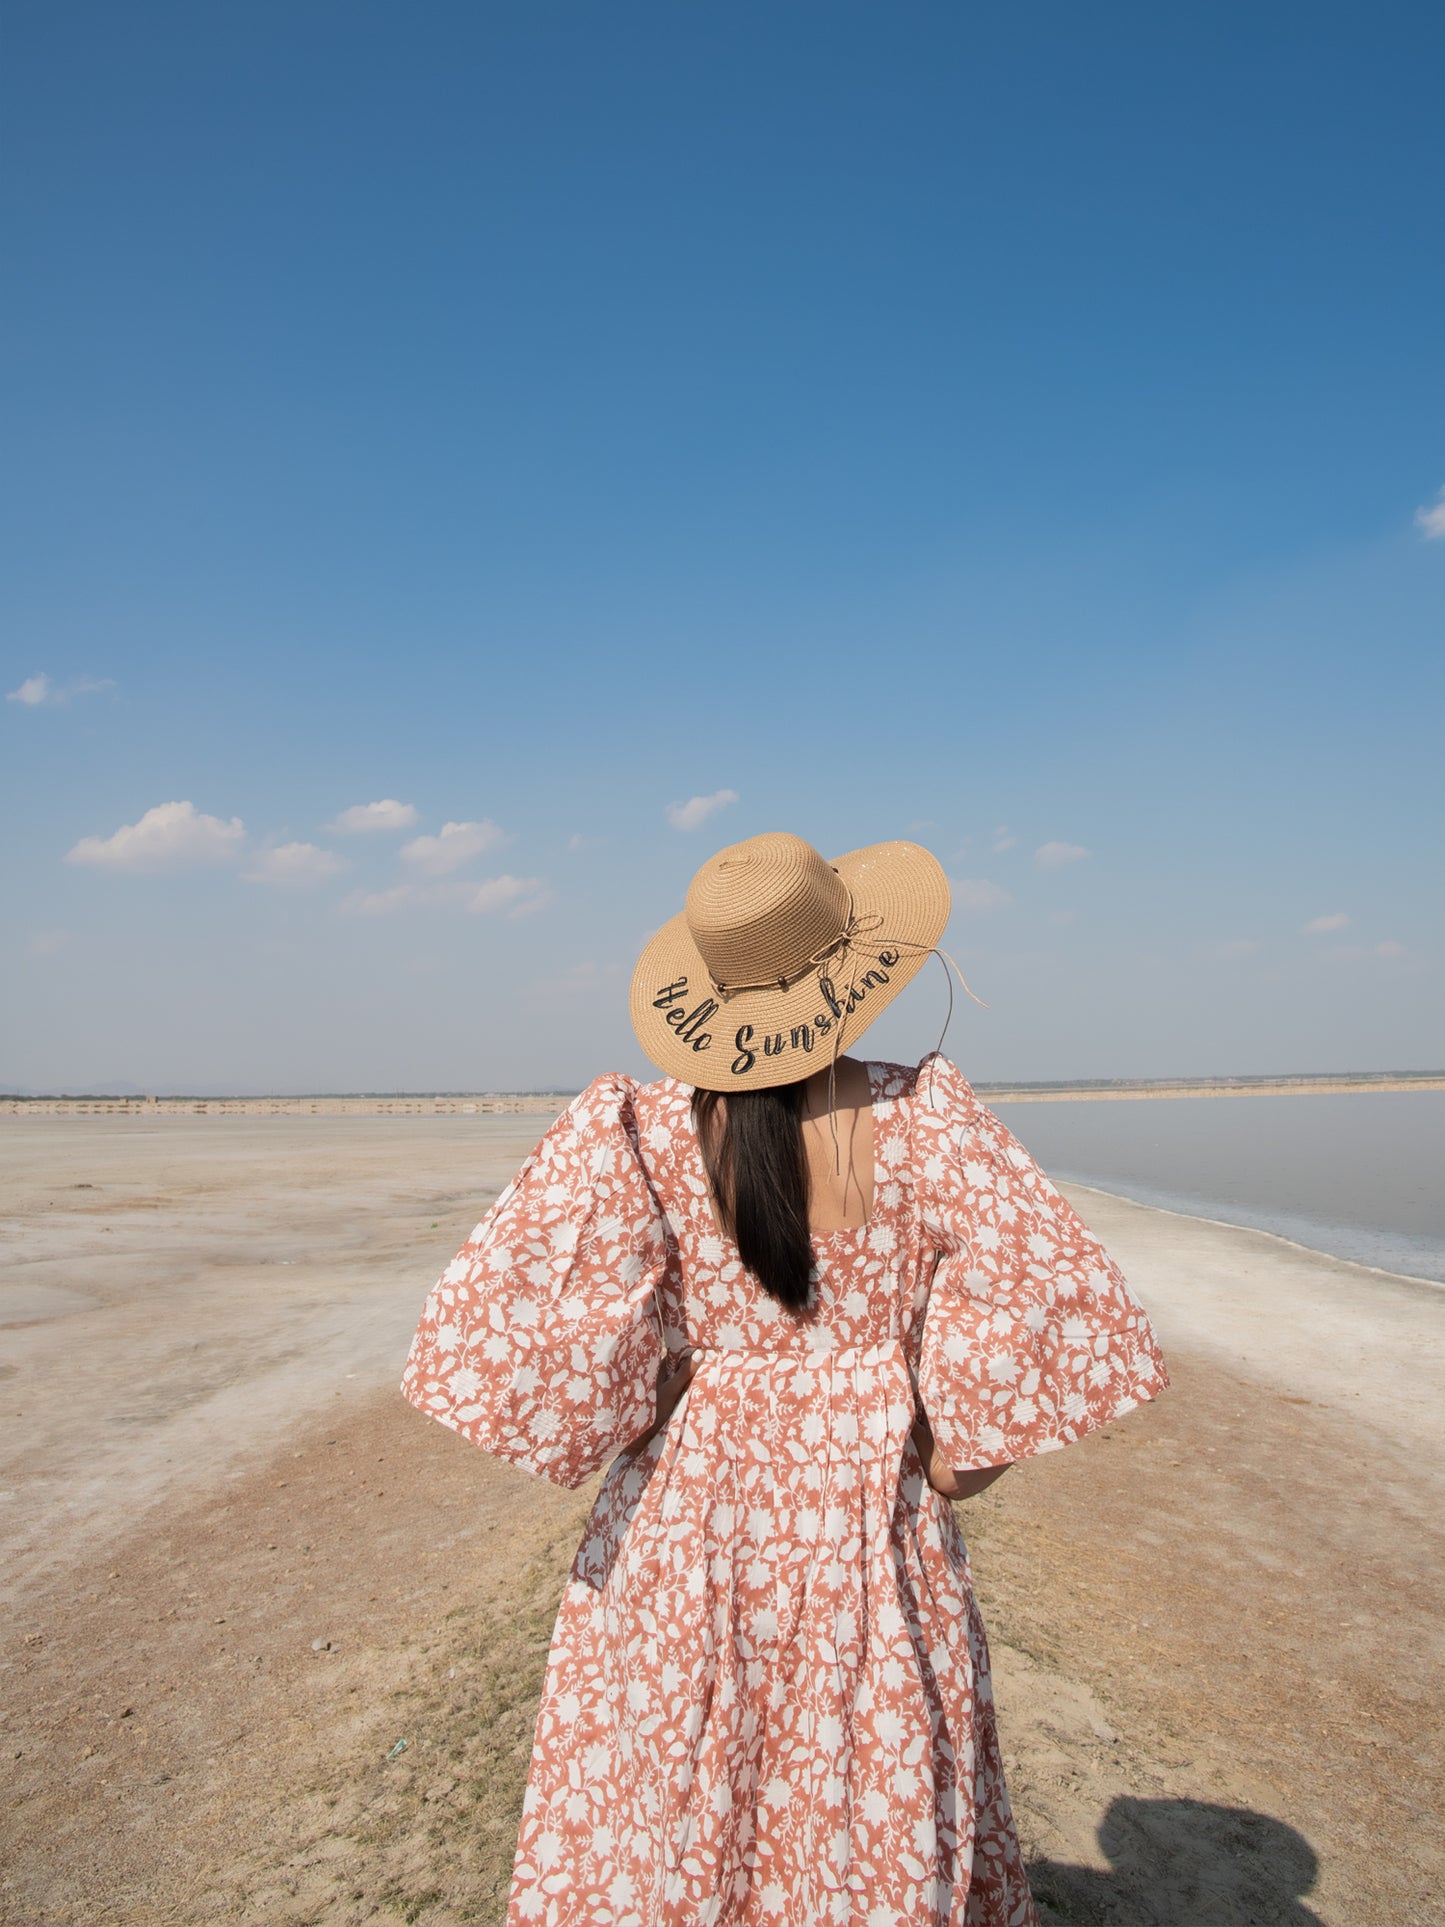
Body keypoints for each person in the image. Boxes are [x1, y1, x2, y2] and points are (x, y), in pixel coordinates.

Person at [402, 831, 1168, 1927]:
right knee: (862, 1795)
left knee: (674, 1802)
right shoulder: (925, 1119)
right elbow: (1030, 1318)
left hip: (677, 1540)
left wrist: (674, 1394)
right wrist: (942, 1456)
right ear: (853, 971)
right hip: (867, 1540)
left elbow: (527, 1346)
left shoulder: (638, 1128)